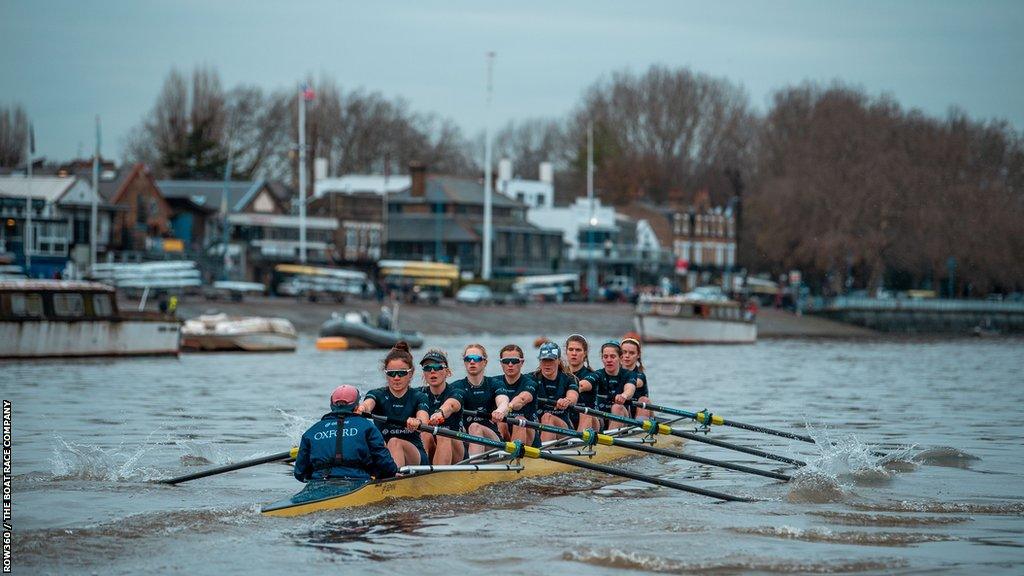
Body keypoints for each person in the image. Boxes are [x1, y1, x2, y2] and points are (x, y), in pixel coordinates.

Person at [293, 385, 398, 483]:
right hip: (358, 481)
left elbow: (299, 473)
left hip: (319, 481)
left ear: (331, 405)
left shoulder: (312, 431)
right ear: (357, 406)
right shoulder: (367, 426)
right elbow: (386, 465)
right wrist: (387, 474)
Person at [356, 341, 431, 467]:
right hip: (384, 453)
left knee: (394, 442)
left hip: (414, 454)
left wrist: (418, 422)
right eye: (391, 373)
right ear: (386, 374)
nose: (396, 377)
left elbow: (423, 418)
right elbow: (368, 404)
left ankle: (393, 480)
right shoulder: (377, 394)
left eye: (402, 373)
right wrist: (362, 408)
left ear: (411, 374)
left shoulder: (419, 396)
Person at [450, 344, 510, 456]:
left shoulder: (494, 383)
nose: (472, 361)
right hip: (466, 440)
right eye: (468, 359)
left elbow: (503, 402)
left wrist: (500, 411)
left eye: (477, 358)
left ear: (485, 362)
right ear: (465, 362)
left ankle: (473, 469)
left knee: (474, 426)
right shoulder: (455, 386)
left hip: (493, 441)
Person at [417, 348, 465, 465]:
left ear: (447, 372)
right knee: (425, 434)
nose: (432, 371)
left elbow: (451, 405)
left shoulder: (457, 392)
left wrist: (440, 413)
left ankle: (438, 477)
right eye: (427, 368)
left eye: (437, 367)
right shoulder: (417, 394)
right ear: (424, 373)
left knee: (443, 433)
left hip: (455, 447)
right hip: (430, 445)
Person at [578, 340, 637, 428]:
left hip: (622, 417)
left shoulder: (629, 374)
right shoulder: (598, 374)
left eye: (613, 357)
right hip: (601, 420)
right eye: (605, 357)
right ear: (602, 359)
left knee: (617, 407)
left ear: (620, 358)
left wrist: (624, 396)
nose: (609, 360)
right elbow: (584, 384)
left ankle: (610, 438)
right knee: (588, 412)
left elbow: (630, 389)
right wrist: (575, 389)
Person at [531, 341, 580, 442]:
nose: (547, 364)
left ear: (558, 361)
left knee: (547, 417)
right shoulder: (531, 378)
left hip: (563, 429)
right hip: (536, 428)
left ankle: (542, 453)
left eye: (551, 360)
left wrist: (567, 400)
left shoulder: (569, 378)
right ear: (540, 361)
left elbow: (573, 396)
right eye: (544, 360)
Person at [490, 344, 537, 447]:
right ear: (501, 363)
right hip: (503, 430)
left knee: (519, 419)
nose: (510, 364)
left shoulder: (530, 383)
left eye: (514, 361)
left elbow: (522, 399)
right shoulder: (493, 382)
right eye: (506, 361)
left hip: (528, 436)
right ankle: (502, 455)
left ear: (522, 362)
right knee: (500, 422)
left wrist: (507, 408)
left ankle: (515, 456)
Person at [565, 334, 601, 432]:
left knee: (585, 413)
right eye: (571, 349)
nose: (574, 353)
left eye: (578, 350)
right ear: (566, 352)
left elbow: (581, 385)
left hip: (590, 421)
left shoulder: (593, 375)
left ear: (585, 353)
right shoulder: (559, 374)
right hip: (567, 421)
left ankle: (578, 445)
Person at [620, 337, 651, 418]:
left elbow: (635, 383)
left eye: (631, 353)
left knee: (644, 400)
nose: (627, 356)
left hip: (640, 414)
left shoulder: (640, 376)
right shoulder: (611, 372)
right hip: (621, 412)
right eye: (624, 352)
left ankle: (641, 428)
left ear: (638, 355)